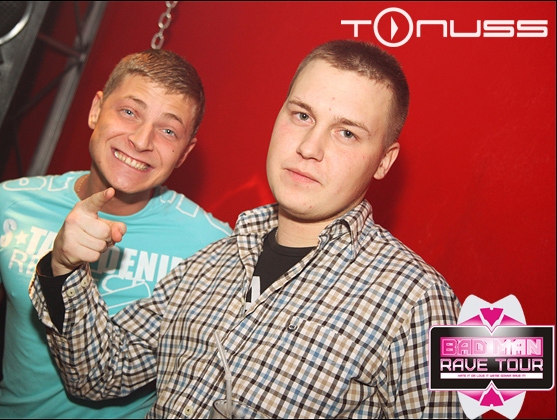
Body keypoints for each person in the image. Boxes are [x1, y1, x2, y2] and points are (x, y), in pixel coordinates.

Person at [29, 40, 465, 418]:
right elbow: (99, 375)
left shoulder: (422, 300)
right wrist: (64, 266)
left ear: (384, 160)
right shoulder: (210, 262)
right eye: (302, 116)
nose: (309, 147)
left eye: (347, 133)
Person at [0, 49, 231, 419]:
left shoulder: (212, 246)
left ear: (184, 152)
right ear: (95, 110)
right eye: (129, 112)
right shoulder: (10, 205)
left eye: (168, 130)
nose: (141, 140)